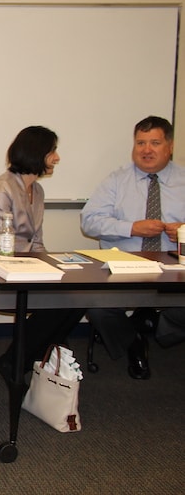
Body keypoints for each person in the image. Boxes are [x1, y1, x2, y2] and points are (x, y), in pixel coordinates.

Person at [0, 126, 84, 381]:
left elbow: (36, 241)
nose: (57, 158)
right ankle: (15, 361)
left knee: (75, 298)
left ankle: (24, 359)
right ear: (36, 152)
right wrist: (39, 270)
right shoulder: (2, 188)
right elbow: (0, 245)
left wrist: (55, 268)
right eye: (52, 151)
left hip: (23, 270)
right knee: (59, 303)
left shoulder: (37, 191)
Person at [81, 115, 185, 380]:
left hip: (176, 267)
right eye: (140, 143)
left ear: (169, 146)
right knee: (97, 308)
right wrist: (131, 228)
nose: (146, 150)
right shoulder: (117, 181)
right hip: (122, 265)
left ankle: (156, 327)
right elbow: (89, 222)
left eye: (154, 143)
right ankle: (133, 342)